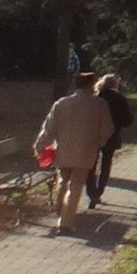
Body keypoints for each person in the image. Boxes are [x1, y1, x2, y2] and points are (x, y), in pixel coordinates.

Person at [34, 72, 114, 235]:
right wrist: (99, 142)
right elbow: (107, 128)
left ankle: (60, 213)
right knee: (76, 186)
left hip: (63, 150)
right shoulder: (98, 104)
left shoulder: (62, 104)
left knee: (62, 181)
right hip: (85, 151)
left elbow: (49, 128)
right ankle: (65, 222)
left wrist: (40, 146)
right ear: (91, 84)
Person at [86, 74, 134, 208]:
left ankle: (91, 192)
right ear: (115, 85)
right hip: (111, 136)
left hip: (93, 136)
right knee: (106, 164)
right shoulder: (119, 98)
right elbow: (127, 120)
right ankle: (99, 192)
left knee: (91, 165)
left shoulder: (95, 98)